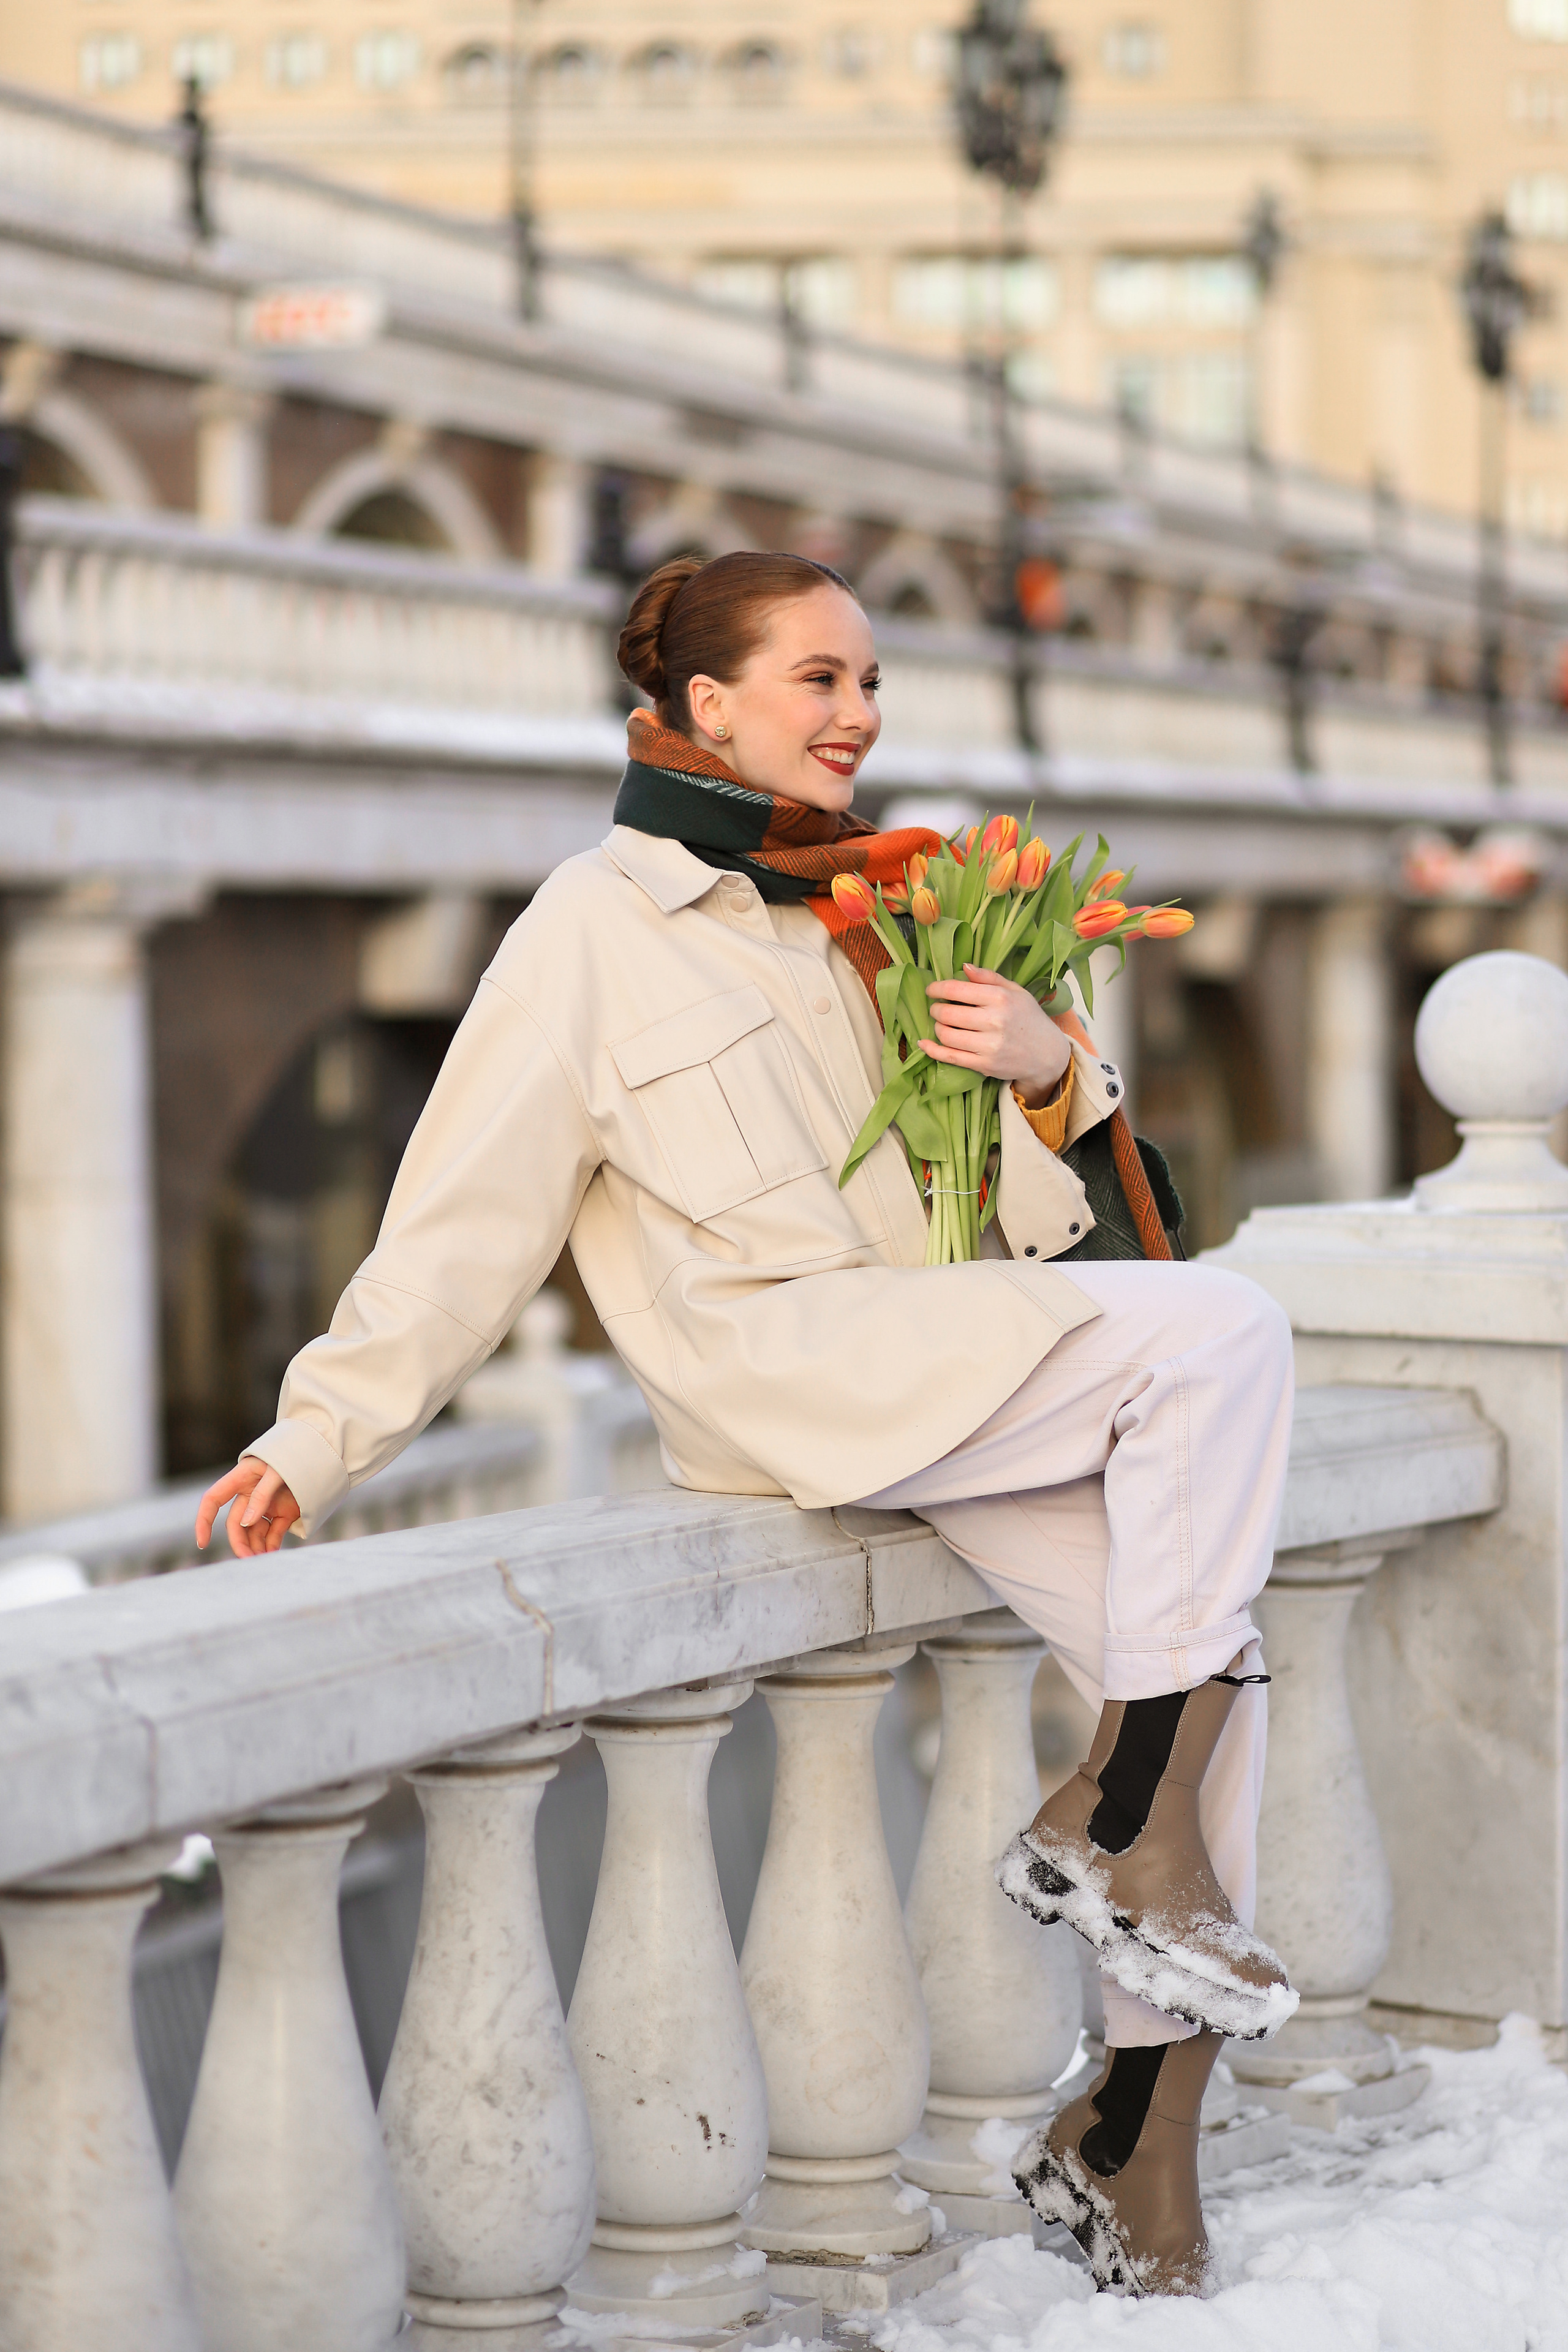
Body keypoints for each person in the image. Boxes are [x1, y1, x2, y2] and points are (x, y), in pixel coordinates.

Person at [195, 551, 1297, 2297]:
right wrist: (313, 1442)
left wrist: (1044, 1069)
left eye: (870, 681)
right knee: (1227, 1333)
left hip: (952, 1360)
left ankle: (1132, 2148)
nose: (860, 714)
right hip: (800, 1378)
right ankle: (1116, 1814)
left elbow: (1057, 1203)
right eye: (818, 680)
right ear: (704, 706)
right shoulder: (586, 933)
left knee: (1214, 1666)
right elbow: (459, 1227)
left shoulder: (887, 907)